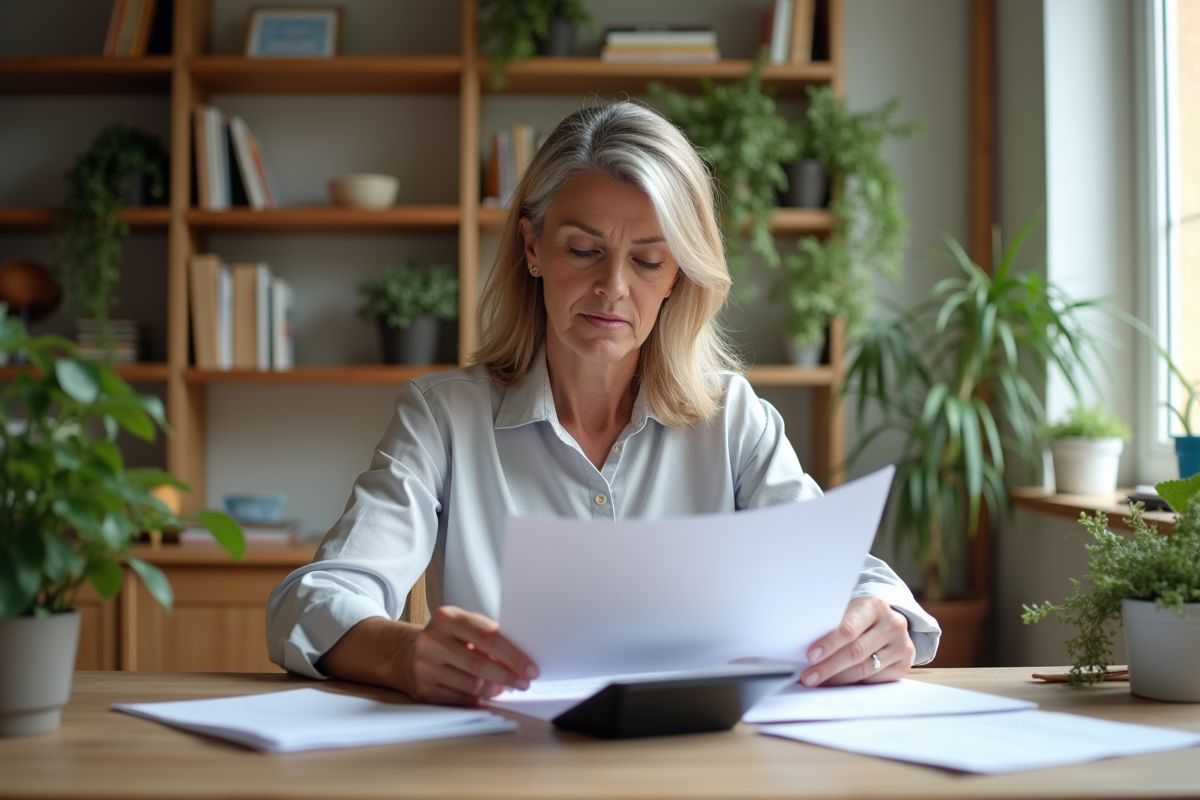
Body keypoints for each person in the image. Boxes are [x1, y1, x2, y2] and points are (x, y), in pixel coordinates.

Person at [266, 101, 941, 706]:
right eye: (584, 250)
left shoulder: (732, 419)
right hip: (499, 768)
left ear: (679, 274)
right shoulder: (443, 418)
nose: (612, 287)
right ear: (533, 248)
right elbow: (313, 601)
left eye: (648, 261)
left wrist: (872, 616)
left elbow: (849, 577)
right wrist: (405, 653)